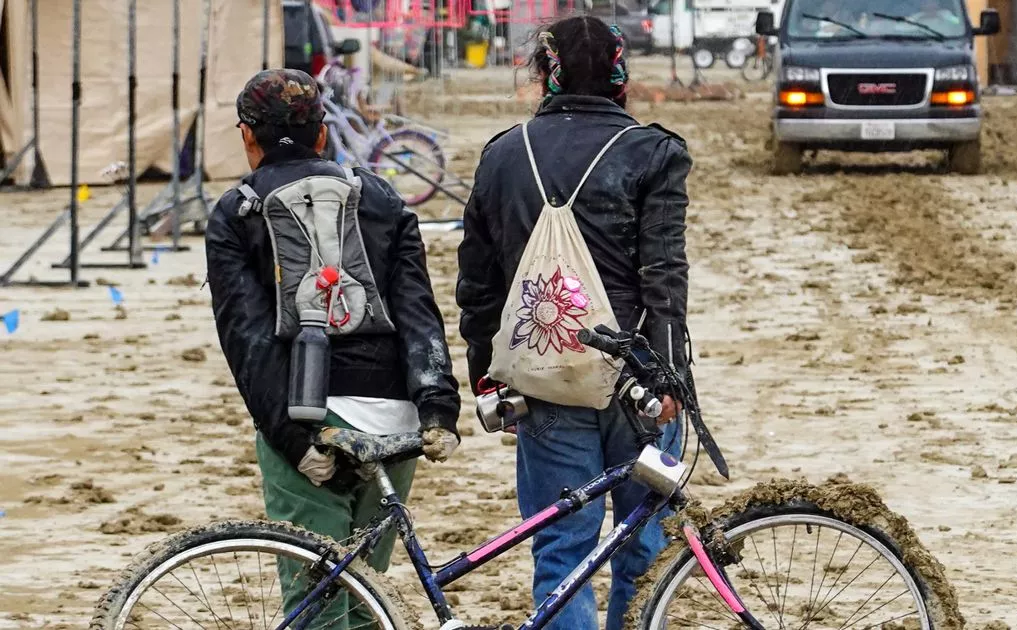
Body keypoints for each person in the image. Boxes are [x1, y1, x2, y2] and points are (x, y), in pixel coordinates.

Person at [456, 16, 692, 630]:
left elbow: (478, 284)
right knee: (646, 551)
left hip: (544, 370)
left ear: (545, 72)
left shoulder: (502, 155)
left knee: (563, 553)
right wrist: (670, 379)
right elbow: (664, 276)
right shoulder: (653, 152)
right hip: (637, 378)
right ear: (620, 74)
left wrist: (486, 375)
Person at [206, 68, 461, 628]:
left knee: (317, 599)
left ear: (248, 138)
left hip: (310, 413)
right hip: (397, 419)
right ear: (323, 134)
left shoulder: (235, 212)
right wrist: (438, 407)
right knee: (367, 592)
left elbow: (246, 340)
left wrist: (294, 439)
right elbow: (419, 312)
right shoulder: (382, 198)